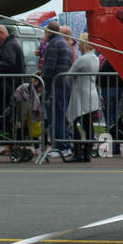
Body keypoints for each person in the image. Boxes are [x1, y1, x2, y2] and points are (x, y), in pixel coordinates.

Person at [0, 24, 25, 153]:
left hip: (8, 86)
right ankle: (10, 145)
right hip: (12, 85)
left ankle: (8, 144)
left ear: (2, 33)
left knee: (6, 116)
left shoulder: (9, 46)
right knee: (10, 116)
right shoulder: (12, 44)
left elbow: (9, 63)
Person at [64, 35, 100, 162]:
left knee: (72, 122)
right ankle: (87, 152)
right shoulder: (95, 58)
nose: (77, 45)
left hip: (81, 94)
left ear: (84, 44)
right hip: (91, 93)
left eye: (79, 43)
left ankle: (78, 152)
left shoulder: (82, 59)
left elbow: (68, 75)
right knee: (88, 124)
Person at [39, 22, 73, 153]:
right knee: (60, 115)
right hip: (64, 84)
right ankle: (64, 144)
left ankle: (61, 146)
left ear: (49, 32)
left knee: (55, 116)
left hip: (55, 86)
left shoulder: (53, 44)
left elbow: (49, 67)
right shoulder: (64, 43)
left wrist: (41, 80)